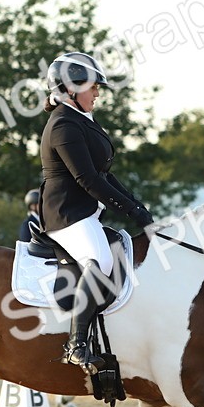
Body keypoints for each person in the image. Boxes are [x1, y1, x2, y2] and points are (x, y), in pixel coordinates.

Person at [38, 52, 154, 372]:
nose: (98, 93)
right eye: (93, 87)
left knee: (118, 250)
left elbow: (104, 174)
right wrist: (130, 210)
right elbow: (87, 179)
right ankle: (75, 346)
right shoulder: (63, 125)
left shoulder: (81, 119)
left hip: (84, 212)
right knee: (101, 261)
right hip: (66, 214)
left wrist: (137, 207)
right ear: (70, 89)